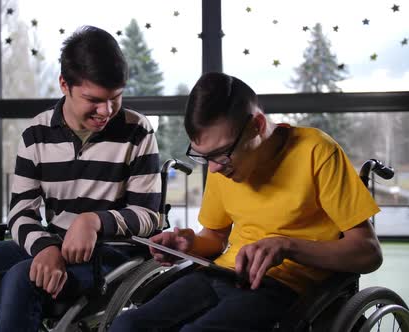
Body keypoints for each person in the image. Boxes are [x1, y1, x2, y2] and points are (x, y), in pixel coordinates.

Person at [0, 26, 161, 332]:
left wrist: (93, 221)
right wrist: (44, 248)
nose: (106, 111)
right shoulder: (36, 133)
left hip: (111, 254)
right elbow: (21, 211)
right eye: (94, 99)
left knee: (23, 278)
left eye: (115, 98)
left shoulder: (137, 130)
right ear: (64, 84)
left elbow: (148, 215)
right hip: (55, 242)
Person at [109, 72, 383, 331]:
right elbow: (215, 237)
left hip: (288, 288)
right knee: (128, 325)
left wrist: (287, 246)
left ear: (257, 125)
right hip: (223, 273)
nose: (213, 169)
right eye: (203, 157)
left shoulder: (316, 151)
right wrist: (189, 244)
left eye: (221, 154)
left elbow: (368, 252)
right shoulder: (223, 163)